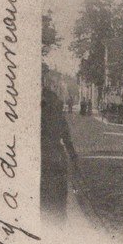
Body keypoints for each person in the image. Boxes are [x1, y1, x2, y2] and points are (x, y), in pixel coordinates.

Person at [41, 76, 78, 221]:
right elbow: (67, 138)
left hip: (44, 158)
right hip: (57, 156)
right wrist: (73, 156)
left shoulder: (41, 117)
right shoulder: (58, 117)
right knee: (59, 195)